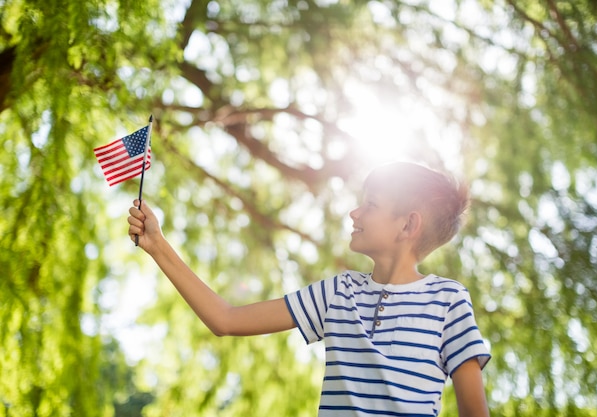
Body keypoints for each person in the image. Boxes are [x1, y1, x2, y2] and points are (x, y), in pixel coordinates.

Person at [127, 161, 491, 417]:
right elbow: (226, 319)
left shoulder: (448, 301)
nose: (355, 213)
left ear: (408, 225)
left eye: (371, 204)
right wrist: (157, 245)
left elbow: (475, 413)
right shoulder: (338, 294)